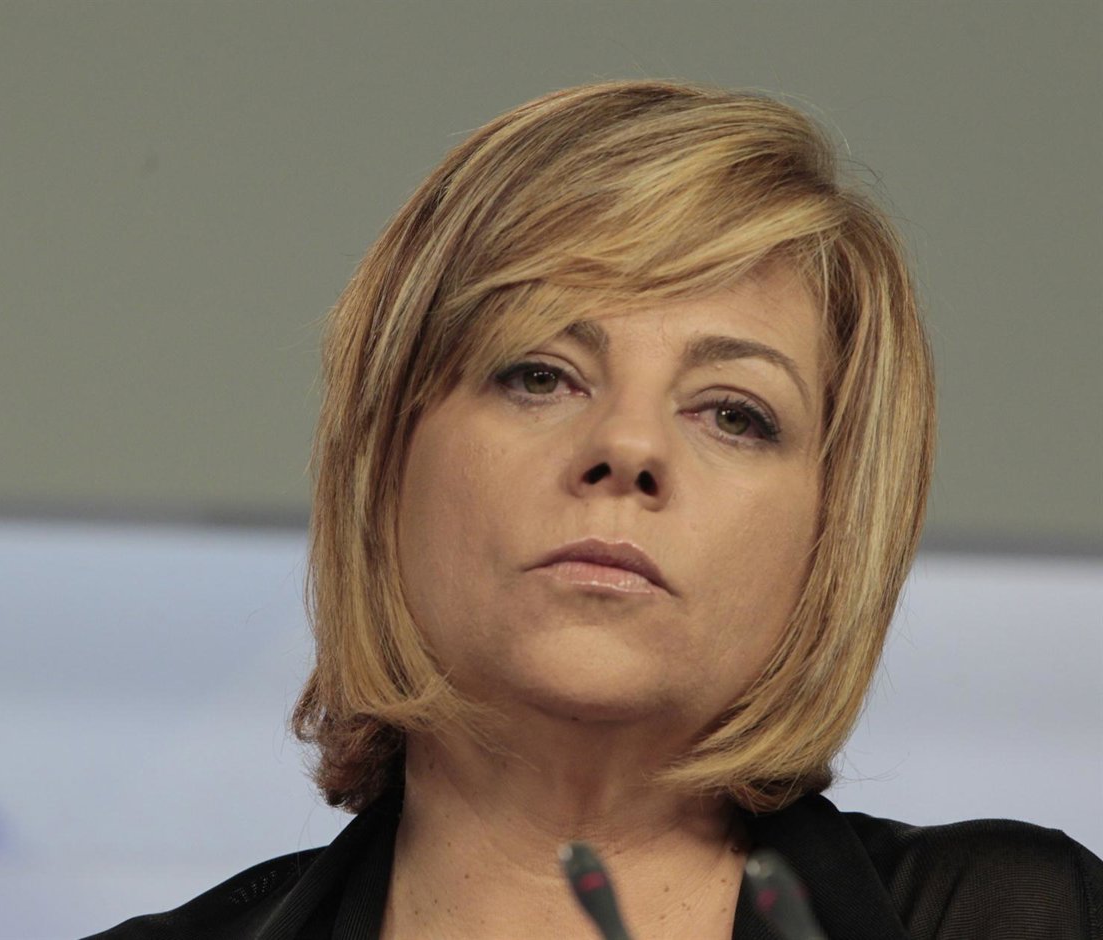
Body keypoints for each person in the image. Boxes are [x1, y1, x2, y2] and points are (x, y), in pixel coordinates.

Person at [88, 81, 1102, 939]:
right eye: (540, 374)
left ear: (830, 540)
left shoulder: (1024, 915)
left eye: (735, 414)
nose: (629, 447)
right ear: (386, 454)